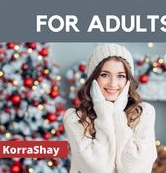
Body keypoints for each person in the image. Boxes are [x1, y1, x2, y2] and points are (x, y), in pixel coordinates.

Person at [63, 43, 157, 173]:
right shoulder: (74, 117)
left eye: (121, 76)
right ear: (93, 78)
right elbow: (98, 169)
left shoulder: (144, 113)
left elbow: (133, 169)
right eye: (105, 75)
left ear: (128, 80)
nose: (113, 83)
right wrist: (103, 111)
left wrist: (117, 113)